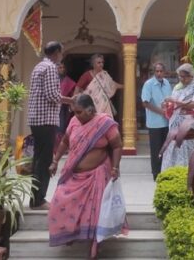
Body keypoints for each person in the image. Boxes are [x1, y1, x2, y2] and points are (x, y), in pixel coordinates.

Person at [48, 94, 127, 259]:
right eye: (74, 112)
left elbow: (117, 145)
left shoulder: (104, 123)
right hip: (74, 175)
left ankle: (94, 249)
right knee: (58, 201)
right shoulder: (74, 122)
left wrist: (115, 167)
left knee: (95, 212)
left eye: (79, 112)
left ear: (90, 110)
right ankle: (71, 235)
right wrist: (55, 161)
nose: (76, 115)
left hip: (97, 175)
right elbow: (64, 142)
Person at [27, 41, 72, 209]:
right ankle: (39, 199)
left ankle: (34, 198)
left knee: (38, 159)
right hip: (45, 119)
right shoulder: (51, 67)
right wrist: (72, 100)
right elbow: (53, 95)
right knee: (44, 160)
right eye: (61, 52)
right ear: (57, 52)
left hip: (36, 119)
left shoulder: (39, 66)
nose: (61, 56)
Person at [161, 63, 194, 172]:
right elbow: (174, 104)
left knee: (186, 148)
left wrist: (176, 102)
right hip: (176, 123)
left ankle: (189, 173)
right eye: (180, 76)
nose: (182, 79)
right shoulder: (178, 87)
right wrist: (167, 105)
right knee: (173, 147)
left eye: (184, 77)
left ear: (191, 76)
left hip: (190, 125)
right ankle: (173, 173)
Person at [140, 62, 172, 179]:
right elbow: (145, 103)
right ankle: (156, 174)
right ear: (154, 72)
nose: (159, 73)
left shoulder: (167, 83)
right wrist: (161, 112)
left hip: (167, 122)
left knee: (166, 148)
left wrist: (169, 110)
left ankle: (165, 172)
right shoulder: (148, 84)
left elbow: (170, 99)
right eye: (157, 71)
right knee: (156, 150)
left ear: (164, 72)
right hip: (155, 123)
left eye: (161, 71)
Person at [57, 61, 77, 144]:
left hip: (64, 108)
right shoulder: (52, 80)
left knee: (63, 127)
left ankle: (62, 145)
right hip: (53, 107)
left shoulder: (68, 81)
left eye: (63, 67)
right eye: (60, 68)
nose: (62, 69)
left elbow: (73, 94)